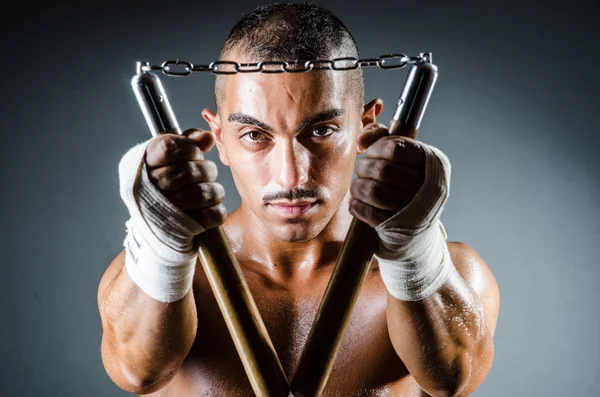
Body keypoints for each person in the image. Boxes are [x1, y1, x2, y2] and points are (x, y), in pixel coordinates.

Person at [98, 2, 500, 396]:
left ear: (365, 123)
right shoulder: (157, 275)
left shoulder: (452, 270)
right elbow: (137, 372)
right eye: (255, 135)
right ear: (218, 137)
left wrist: (415, 252)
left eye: (321, 130)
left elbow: (452, 379)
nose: (292, 176)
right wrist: (160, 246)